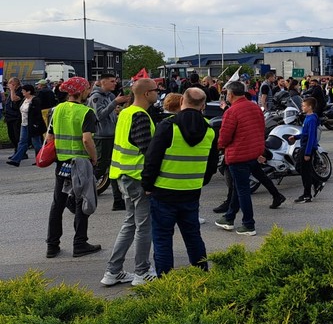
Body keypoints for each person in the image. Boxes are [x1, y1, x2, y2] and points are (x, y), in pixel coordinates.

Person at [143, 87, 218, 276]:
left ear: (182, 101)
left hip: (163, 192)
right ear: (203, 105)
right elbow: (212, 165)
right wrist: (199, 182)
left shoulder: (168, 126)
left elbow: (152, 159)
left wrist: (147, 185)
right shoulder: (209, 130)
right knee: (193, 237)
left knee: (162, 240)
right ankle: (202, 275)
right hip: (191, 192)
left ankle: (165, 282)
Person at [100, 77, 158, 287]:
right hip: (137, 177)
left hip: (123, 175)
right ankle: (142, 271)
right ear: (146, 94)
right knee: (143, 226)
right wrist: (150, 182)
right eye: (155, 90)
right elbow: (147, 150)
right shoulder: (140, 116)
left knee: (130, 223)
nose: (157, 93)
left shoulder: (125, 113)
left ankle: (113, 271)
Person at [44, 77, 101, 259]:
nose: (88, 92)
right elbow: (87, 139)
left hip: (62, 162)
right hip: (81, 163)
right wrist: (94, 157)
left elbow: (50, 137)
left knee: (58, 203)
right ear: (82, 91)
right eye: (87, 89)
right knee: (81, 201)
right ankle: (80, 243)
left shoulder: (56, 110)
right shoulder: (86, 112)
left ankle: (52, 246)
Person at [215, 81, 265, 236]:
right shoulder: (255, 107)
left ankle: (248, 224)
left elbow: (225, 136)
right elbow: (261, 128)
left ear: (230, 94)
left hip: (238, 155)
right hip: (253, 153)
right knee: (238, 187)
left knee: (242, 190)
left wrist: (219, 146)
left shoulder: (231, 111)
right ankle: (229, 217)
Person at [87, 73, 133, 211]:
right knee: (101, 167)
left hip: (112, 135)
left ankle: (118, 200)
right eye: (112, 81)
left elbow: (112, 113)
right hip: (102, 136)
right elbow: (99, 116)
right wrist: (115, 103)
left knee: (113, 168)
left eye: (115, 81)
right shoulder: (96, 97)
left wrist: (120, 105)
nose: (114, 84)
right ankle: (79, 192)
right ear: (102, 82)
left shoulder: (110, 96)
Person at [293, 96, 325, 203]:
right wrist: (296, 137)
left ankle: (307, 194)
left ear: (310, 107)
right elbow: (306, 133)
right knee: (300, 168)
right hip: (304, 146)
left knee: (304, 170)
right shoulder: (308, 117)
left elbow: (311, 136)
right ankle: (316, 183)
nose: (302, 107)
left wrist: (307, 152)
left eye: (304, 106)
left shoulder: (311, 119)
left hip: (307, 147)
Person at [6, 84, 46, 166]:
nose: (22, 92)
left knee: (36, 143)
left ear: (29, 92)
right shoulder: (24, 99)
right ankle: (16, 160)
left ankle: (40, 159)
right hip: (23, 124)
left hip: (33, 125)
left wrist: (36, 124)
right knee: (22, 142)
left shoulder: (35, 100)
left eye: (24, 91)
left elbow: (37, 114)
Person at [3, 77, 23, 155]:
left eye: (10, 83)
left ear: (14, 84)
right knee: (11, 135)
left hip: (16, 117)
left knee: (16, 135)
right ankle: (16, 150)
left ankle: (20, 152)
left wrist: (12, 90)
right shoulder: (12, 91)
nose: (8, 85)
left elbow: (14, 99)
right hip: (9, 116)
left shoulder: (20, 91)